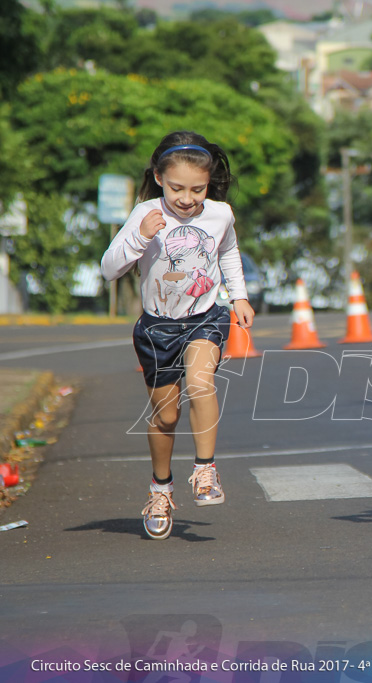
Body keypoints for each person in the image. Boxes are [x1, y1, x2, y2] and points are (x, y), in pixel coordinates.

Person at [101, 131, 254, 540]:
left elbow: (227, 253)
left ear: (209, 184)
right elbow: (109, 269)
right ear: (158, 178)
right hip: (156, 328)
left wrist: (238, 297)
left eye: (197, 189)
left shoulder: (220, 214)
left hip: (205, 317)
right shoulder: (145, 214)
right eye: (176, 188)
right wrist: (141, 236)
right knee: (166, 415)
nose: (187, 198)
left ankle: (205, 470)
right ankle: (160, 490)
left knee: (202, 384)